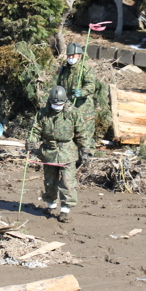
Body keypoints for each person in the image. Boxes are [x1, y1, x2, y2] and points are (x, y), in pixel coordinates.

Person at [35, 85, 90, 223]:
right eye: (54, 103)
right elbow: (35, 130)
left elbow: (82, 133)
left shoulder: (73, 113)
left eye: (59, 103)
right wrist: (31, 142)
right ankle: (51, 205)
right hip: (49, 151)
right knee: (50, 181)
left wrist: (85, 150)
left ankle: (65, 210)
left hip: (68, 152)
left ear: (65, 101)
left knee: (67, 182)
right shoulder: (42, 113)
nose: (56, 106)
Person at [57, 42, 98, 143]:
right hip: (68, 107)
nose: (71, 57)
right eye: (69, 55)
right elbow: (59, 86)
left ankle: (86, 157)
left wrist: (82, 92)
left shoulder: (85, 70)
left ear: (80, 56)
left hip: (83, 109)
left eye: (73, 55)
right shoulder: (64, 70)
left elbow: (91, 86)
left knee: (85, 137)